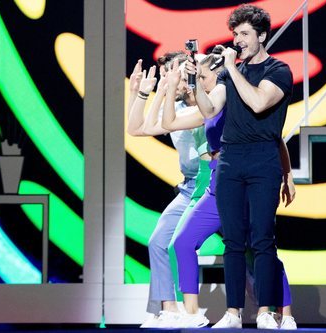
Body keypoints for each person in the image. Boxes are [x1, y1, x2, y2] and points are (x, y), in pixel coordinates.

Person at [163, 50, 296, 329]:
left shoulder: (235, 98)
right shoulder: (208, 104)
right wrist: (167, 88)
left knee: (259, 245)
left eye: (205, 74)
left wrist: (287, 175)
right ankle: (193, 312)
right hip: (218, 182)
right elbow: (169, 123)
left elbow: (276, 138)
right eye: (199, 75)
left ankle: (284, 312)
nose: (202, 78)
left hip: (247, 176)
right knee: (185, 242)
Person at [127, 52, 210, 328]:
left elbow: (162, 123)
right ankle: (170, 309)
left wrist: (160, 94)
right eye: (166, 74)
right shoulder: (173, 104)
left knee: (243, 249)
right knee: (158, 242)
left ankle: (261, 307)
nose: (168, 78)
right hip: (189, 188)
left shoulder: (203, 104)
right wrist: (139, 93)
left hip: (212, 186)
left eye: (173, 73)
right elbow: (136, 128)